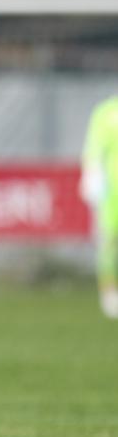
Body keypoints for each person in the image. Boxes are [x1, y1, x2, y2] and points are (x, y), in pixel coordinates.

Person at [81, 95, 118, 319]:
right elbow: (93, 151)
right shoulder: (105, 112)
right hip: (111, 194)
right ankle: (109, 293)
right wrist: (92, 179)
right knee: (108, 244)